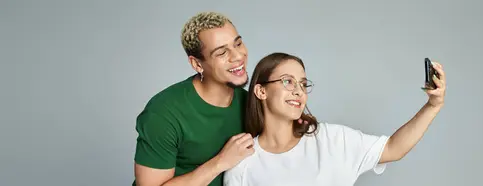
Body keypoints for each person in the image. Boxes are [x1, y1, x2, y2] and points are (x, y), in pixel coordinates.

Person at [223, 52, 447, 186]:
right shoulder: (242, 161)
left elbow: (393, 149)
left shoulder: (331, 140)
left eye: (303, 84)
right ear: (261, 91)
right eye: (287, 81)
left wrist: (432, 105)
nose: (298, 91)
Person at [132, 12, 257, 186]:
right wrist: (220, 162)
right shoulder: (163, 113)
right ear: (197, 64)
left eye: (238, 43)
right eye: (222, 53)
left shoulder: (251, 103)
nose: (237, 56)